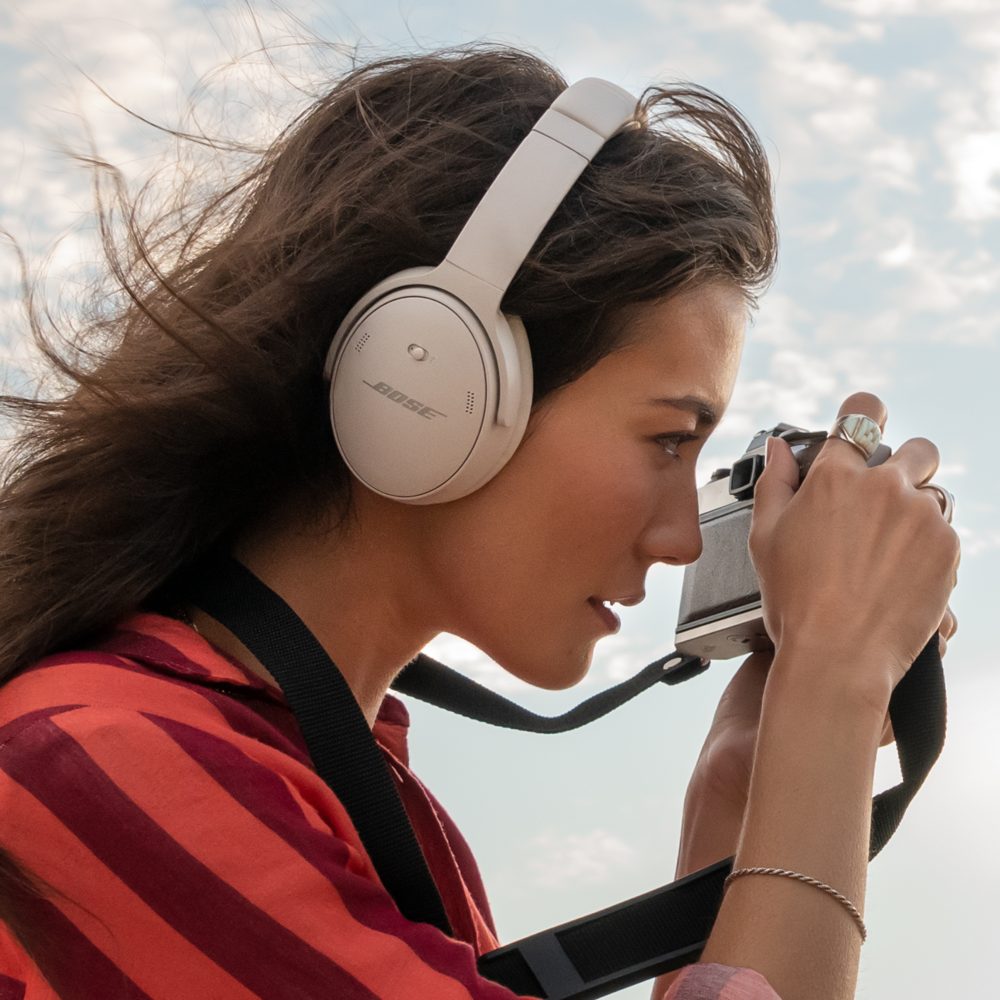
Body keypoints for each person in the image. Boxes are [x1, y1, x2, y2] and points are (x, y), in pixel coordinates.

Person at [0, 45, 959, 1000]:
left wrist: (742, 790)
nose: (678, 539)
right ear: (435, 380)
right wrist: (832, 681)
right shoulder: (100, 761)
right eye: (670, 439)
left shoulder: (351, 797)